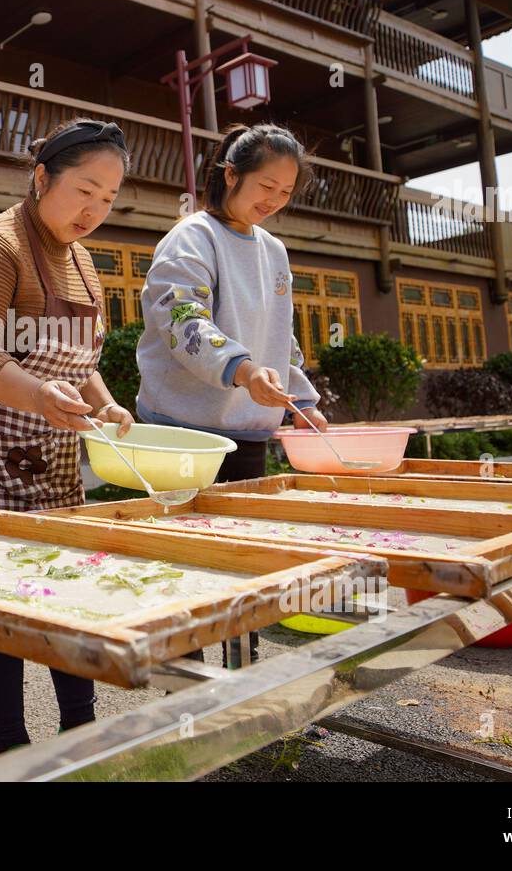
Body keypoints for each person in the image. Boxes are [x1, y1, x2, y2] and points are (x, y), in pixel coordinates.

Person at [0, 118, 134, 755]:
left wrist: (109, 403)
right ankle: (8, 741)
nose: (93, 210)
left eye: (108, 199)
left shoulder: (85, 262)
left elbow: (81, 361)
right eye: (84, 191)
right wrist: (40, 397)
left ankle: (80, 727)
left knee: (64, 582)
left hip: (50, 439)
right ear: (42, 178)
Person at [135, 123, 328, 663]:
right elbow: (182, 319)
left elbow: (280, 333)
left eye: (286, 192)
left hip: (246, 429)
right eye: (266, 185)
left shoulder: (274, 251)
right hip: (181, 432)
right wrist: (242, 370)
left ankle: (243, 678)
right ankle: (185, 693)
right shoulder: (191, 237)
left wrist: (303, 402)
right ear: (231, 175)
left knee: (242, 560)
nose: (274, 200)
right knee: (186, 564)